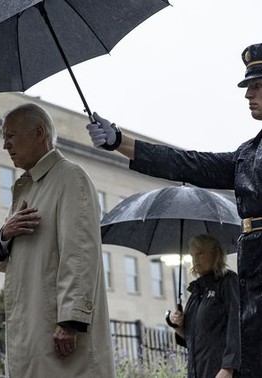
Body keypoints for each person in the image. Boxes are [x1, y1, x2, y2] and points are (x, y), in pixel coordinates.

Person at [86, 42, 262, 377]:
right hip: (255, 271)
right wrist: (119, 141)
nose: (247, 95)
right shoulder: (248, 155)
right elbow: (189, 163)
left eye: (256, 86)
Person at [0, 103, 114, 377]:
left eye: (10, 136)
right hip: (33, 334)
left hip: (60, 336)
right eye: (3, 138)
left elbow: (80, 251)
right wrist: (4, 234)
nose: (5, 146)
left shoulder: (70, 177)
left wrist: (71, 320)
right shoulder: (25, 189)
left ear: (39, 132)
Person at [168, 234, 240, 378]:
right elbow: (194, 338)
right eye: (192, 255)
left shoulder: (228, 282)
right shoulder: (196, 291)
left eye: (200, 253)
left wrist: (228, 367)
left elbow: (237, 324)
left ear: (215, 254)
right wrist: (179, 327)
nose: (195, 259)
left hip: (221, 371)